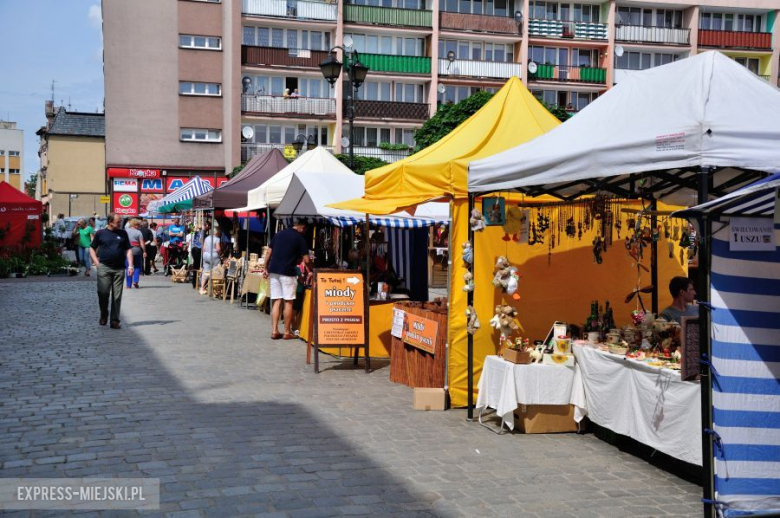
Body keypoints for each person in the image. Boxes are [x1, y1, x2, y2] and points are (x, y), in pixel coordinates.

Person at [263, 219, 309, 340]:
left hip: (274, 270)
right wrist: (312, 270)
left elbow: (268, 253)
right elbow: (307, 260)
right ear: (301, 227)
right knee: (288, 301)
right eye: (305, 229)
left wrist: (265, 268)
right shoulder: (299, 238)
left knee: (276, 301)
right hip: (288, 272)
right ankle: (287, 332)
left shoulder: (278, 234)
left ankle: (274, 331)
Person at [89, 213, 133, 329]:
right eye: (118, 222)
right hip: (104, 267)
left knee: (117, 296)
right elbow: (92, 248)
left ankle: (114, 320)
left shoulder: (123, 233)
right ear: (110, 222)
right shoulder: (101, 233)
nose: (120, 224)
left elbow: (128, 250)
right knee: (103, 294)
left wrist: (130, 266)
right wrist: (96, 263)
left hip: (119, 269)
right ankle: (104, 314)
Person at [125, 219, 146, 289]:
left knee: (128, 267)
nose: (139, 226)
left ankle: (128, 285)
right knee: (137, 267)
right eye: (138, 225)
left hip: (128, 250)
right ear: (136, 225)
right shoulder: (138, 232)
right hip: (137, 250)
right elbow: (142, 243)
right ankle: (135, 281)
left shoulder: (126, 231)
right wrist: (144, 251)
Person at [200, 228, 221, 295]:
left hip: (206, 255)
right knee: (216, 270)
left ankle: (202, 288)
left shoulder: (206, 238)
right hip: (213, 255)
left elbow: (203, 248)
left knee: (205, 271)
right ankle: (214, 288)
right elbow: (218, 249)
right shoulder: (217, 239)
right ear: (216, 232)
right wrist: (220, 253)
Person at [190, 222, 208, 287]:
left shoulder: (204, 233)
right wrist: (191, 224)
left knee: (202, 266)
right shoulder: (197, 232)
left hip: (200, 250)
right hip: (196, 249)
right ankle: (194, 282)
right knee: (196, 266)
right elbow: (191, 230)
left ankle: (201, 282)